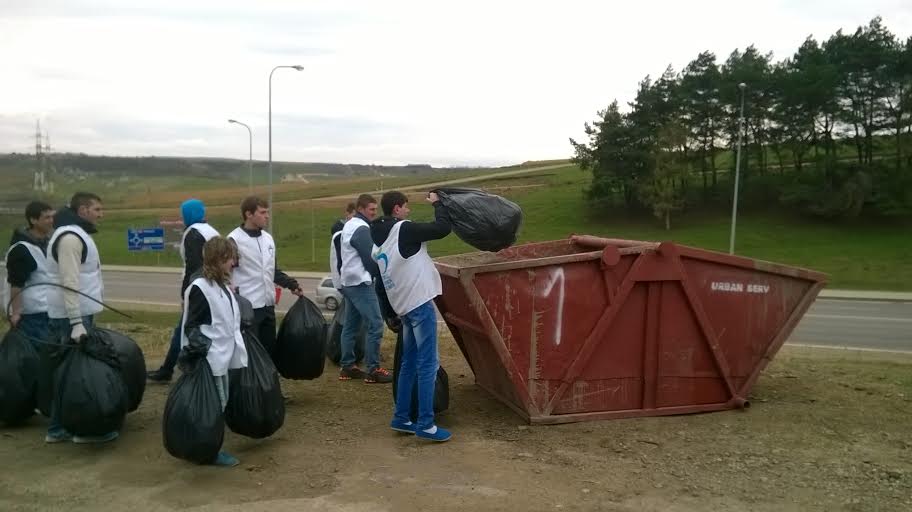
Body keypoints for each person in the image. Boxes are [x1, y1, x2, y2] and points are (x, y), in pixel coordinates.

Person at [371, 190, 452, 441]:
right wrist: (439, 204)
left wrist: (388, 313)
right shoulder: (403, 229)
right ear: (396, 209)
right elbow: (442, 228)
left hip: (403, 307)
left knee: (407, 364)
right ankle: (426, 424)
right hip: (419, 303)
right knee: (428, 364)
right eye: (406, 207)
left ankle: (402, 417)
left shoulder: (378, 242)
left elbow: (379, 284)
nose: (408, 211)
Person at [44, 192, 118, 444]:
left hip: (78, 314)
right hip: (70, 318)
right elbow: (69, 281)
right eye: (97, 209)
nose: (101, 214)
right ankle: (74, 428)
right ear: (83, 210)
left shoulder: (76, 234)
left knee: (70, 372)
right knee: (73, 374)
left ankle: (59, 426)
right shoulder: (69, 239)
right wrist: (76, 322)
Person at [181, 236, 248, 467]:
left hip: (223, 355)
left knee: (220, 402)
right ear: (219, 259)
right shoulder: (200, 288)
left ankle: (206, 445)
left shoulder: (220, 285)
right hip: (210, 359)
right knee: (214, 405)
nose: (233, 263)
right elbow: (191, 325)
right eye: (230, 259)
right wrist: (203, 351)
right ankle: (210, 451)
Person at [147, 199, 220, 382]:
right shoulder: (210, 231)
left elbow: (193, 266)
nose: (181, 218)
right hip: (214, 287)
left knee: (184, 330)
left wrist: (185, 295)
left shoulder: (193, 233)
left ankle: (170, 369)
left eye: (183, 214)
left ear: (188, 214)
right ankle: (171, 368)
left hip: (199, 289)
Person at [227, 196, 302, 358]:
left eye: (267, 212)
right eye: (262, 212)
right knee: (250, 353)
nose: (267, 216)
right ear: (249, 214)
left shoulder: (268, 239)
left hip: (268, 304)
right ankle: (248, 383)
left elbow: (272, 271)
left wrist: (291, 284)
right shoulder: (234, 240)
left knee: (268, 351)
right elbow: (225, 273)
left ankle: (267, 382)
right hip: (247, 307)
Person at [338, 194, 392, 383]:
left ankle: (347, 366)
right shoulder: (361, 228)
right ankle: (373, 369)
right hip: (361, 283)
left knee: (351, 325)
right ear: (361, 208)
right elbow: (370, 258)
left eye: (375, 210)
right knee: (375, 324)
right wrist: (381, 275)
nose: (374, 213)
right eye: (371, 209)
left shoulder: (349, 224)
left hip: (349, 281)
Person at [4, 201, 55, 346]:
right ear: (33, 220)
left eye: (52, 217)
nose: (51, 221)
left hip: (48, 309)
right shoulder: (22, 249)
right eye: (46, 217)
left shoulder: (47, 242)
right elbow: (16, 283)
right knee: (37, 354)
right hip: (32, 313)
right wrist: (16, 313)